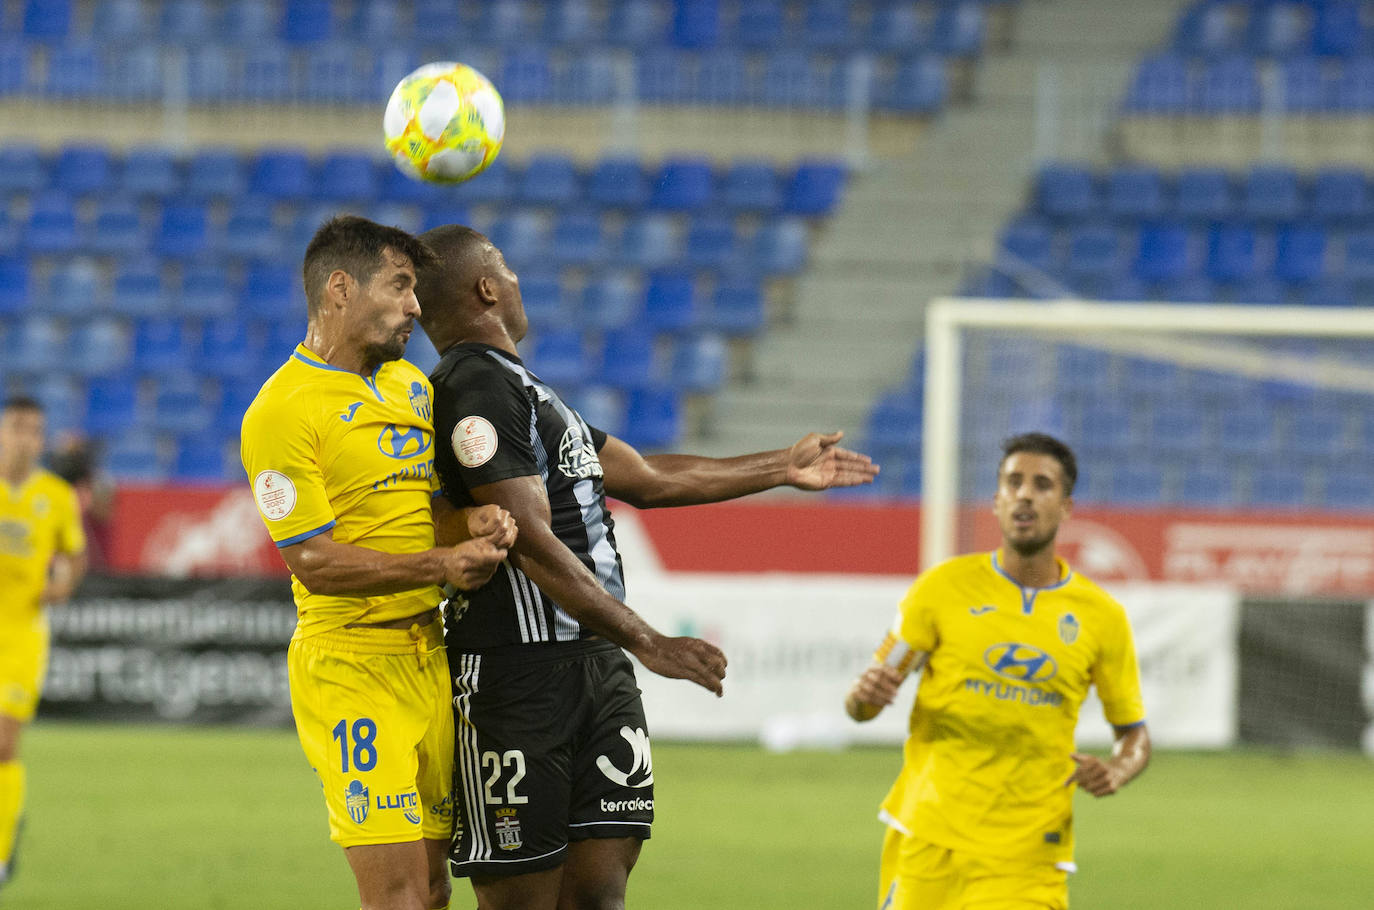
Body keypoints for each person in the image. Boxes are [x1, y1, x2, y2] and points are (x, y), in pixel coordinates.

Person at [412, 223, 880, 910]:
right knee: (522, 902)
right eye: (506, 267)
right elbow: (529, 539)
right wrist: (647, 639)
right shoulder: (472, 388)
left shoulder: (531, 393)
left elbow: (649, 476)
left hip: (596, 670)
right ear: (486, 286)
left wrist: (780, 465)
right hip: (516, 676)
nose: (516, 279)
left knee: (600, 894)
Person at [240, 216, 516, 910]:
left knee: (430, 890)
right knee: (394, 898)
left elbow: (425, 511)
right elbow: (314, 561)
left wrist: (468, 523)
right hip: (350, 668)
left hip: (427, 655)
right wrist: (443, 564)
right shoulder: (281, 410)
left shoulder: (410, 389)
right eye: (400, 287)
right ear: (340, 288)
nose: (417, 308)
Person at [845, 432, 1151, 910]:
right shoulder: (941, 590)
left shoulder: (1102, 617)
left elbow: (1134, 735)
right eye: (1013, 482)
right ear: (996, 502)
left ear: (1066, 506)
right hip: (929, 834)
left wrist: (1118, 769)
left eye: (1042, 484)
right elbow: (862, 706)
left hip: (1028, 854)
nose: (1025, 494)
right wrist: (865, 695)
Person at [0, 397, 87, 891]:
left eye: (35, 430)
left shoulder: (54, 495)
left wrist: (60, 588)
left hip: (21, 635)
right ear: (2, 432)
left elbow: (75, 558)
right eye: (17, 427)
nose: (25, 438)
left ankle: (1, 850)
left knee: (4, 744)